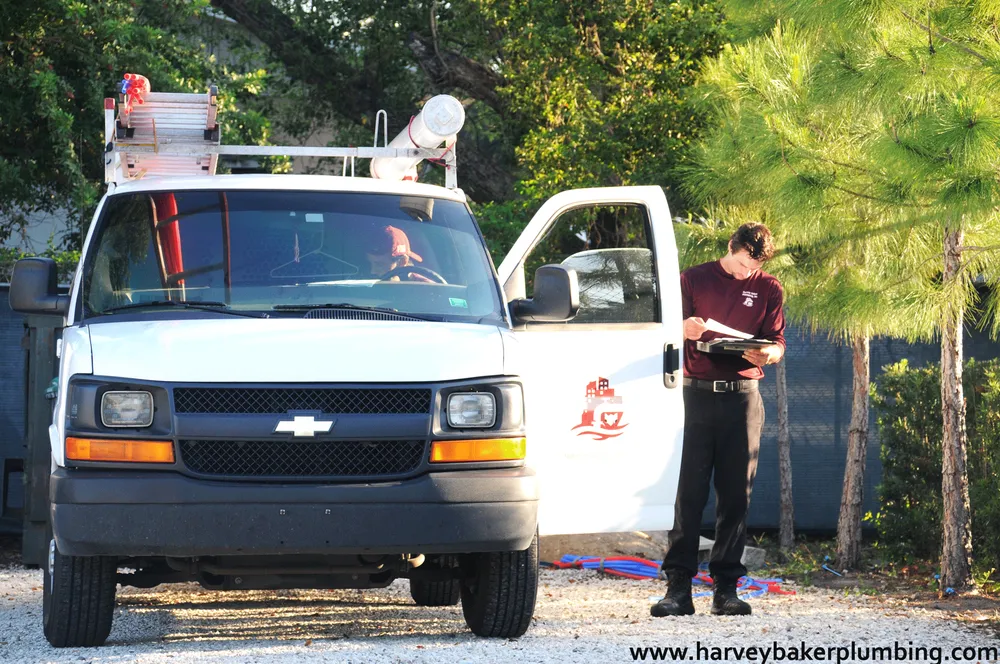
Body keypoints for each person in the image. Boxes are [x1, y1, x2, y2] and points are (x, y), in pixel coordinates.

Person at [651, 222, 785, 618]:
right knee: (688, 494)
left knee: (735, 496)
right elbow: (661, 331)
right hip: (696, 397)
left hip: (743, 400)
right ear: (732, 247)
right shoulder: (692, 279)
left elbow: (777, 343)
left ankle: (726, 589)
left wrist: (767, 355)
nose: (748, 273)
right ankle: (678, 589)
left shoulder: (769, 288)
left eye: (753, 268)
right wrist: (684, 328)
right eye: (744, 264)